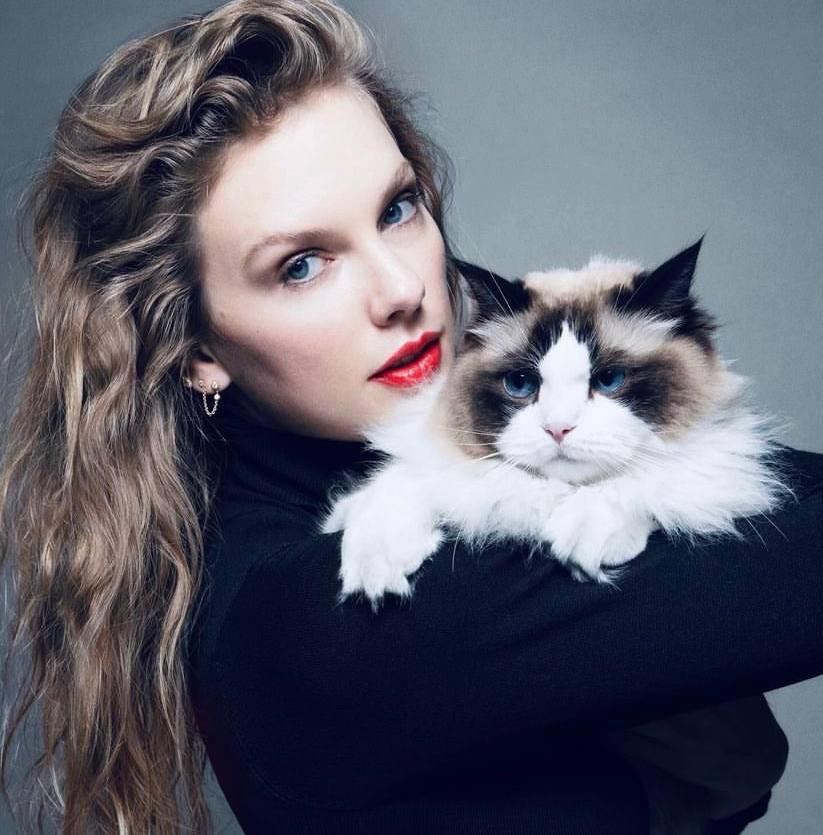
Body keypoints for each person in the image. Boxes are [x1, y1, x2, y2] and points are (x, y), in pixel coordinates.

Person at [1, 1, 821, 834]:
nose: (402, 289)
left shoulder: (457, 478)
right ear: (196, 349)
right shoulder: (326, 607)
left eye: (397, 208)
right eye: (301, 265)